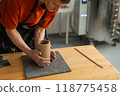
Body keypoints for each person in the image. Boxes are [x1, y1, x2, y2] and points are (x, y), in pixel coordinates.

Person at [0, 0, 71, 67]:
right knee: (12, 65)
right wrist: (30, 53)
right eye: (55, 4)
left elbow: (40, 29)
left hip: (32, 29)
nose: (57, 9)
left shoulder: (52, 7)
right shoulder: (16, 1)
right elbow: (11, 30)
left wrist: (41, 51)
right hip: (9, 28)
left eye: (61, 6)